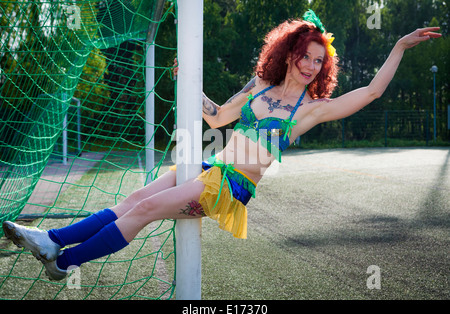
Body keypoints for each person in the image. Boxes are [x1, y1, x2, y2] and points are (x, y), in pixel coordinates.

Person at [2, 10, 441, 281]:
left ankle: (64, 260)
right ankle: (52, 241)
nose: (310, 66)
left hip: (229, 189)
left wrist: (399, 47)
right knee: (136, 197)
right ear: (290, 53)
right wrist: (188, 82)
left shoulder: (310, 109)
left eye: (318, 61)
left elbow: (370, 93)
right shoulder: (258, 88)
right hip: (210, 165)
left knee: (143, 211)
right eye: (305, 56)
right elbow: (216, 117)